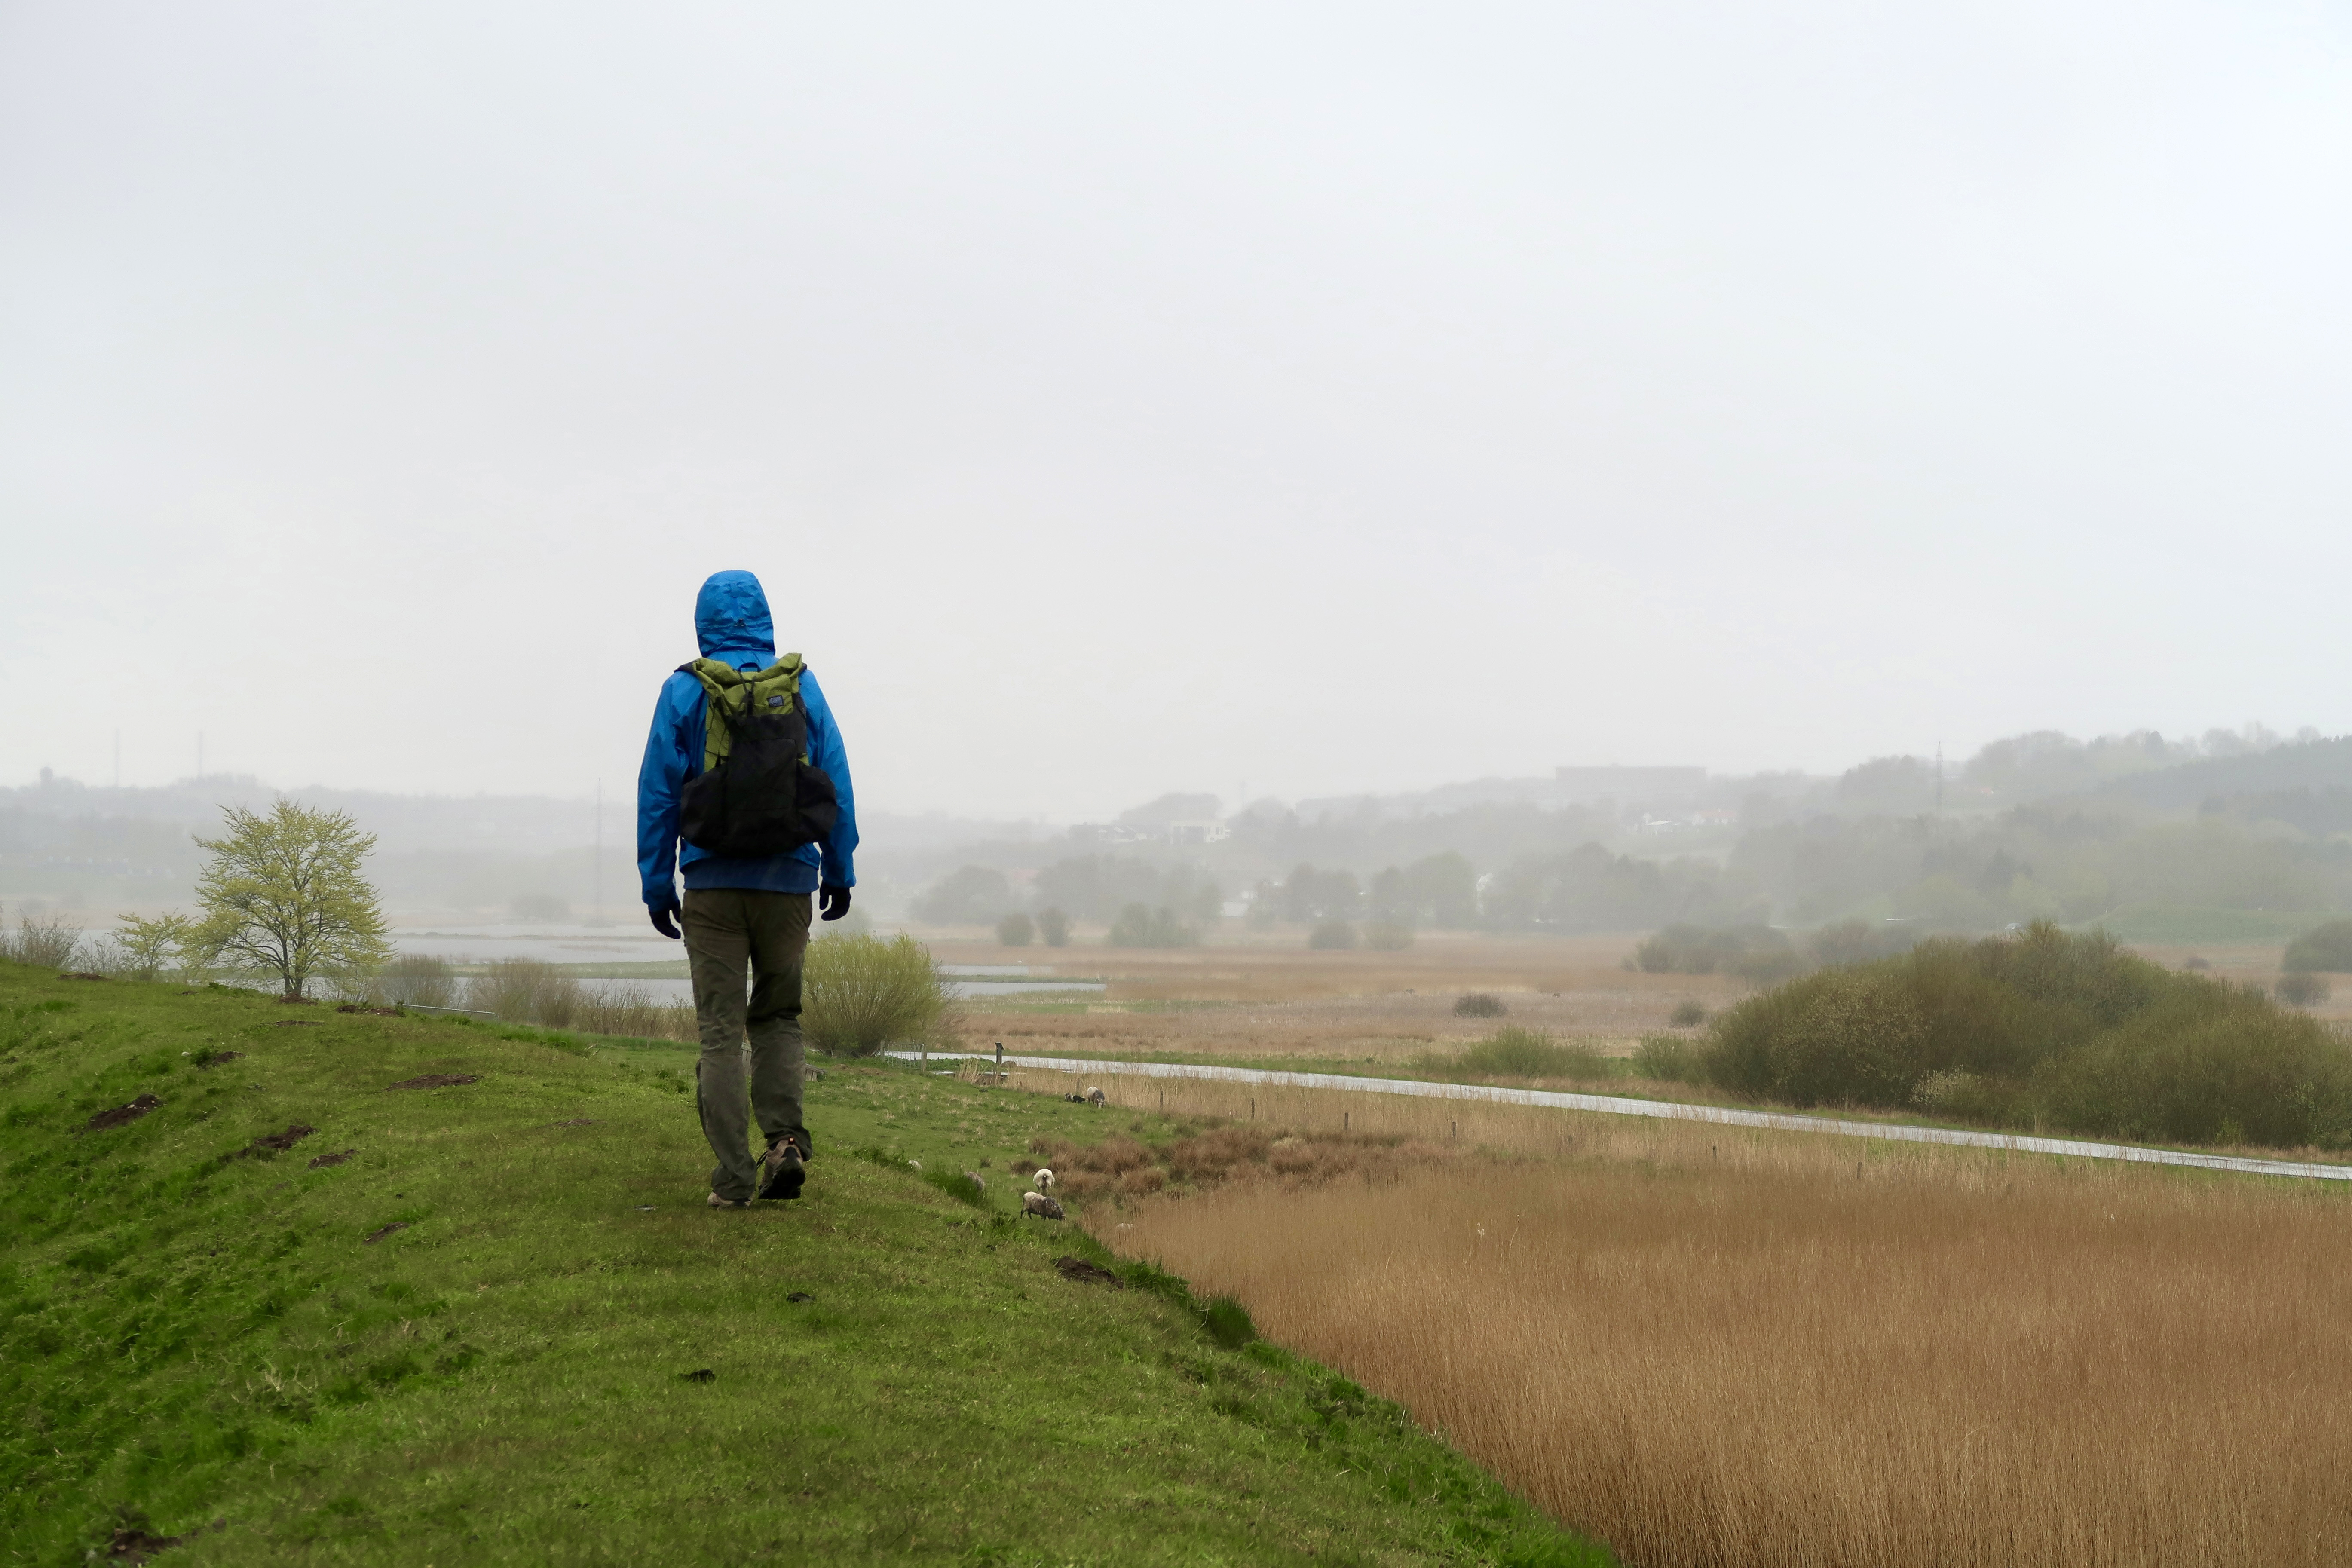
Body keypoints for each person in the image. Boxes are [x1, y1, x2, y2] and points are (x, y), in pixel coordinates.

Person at [637, 570, 858, 1208]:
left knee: (720, 1032)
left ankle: (734, 1179)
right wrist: (838, 870)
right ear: (765, 618)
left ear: (703, 622)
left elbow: (658, 794)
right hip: (789, 882)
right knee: (779, 1017)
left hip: (712, 884)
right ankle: (785, 1144)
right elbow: (835, 780)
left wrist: (657, 884)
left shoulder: (685, 690)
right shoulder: (800, 686)